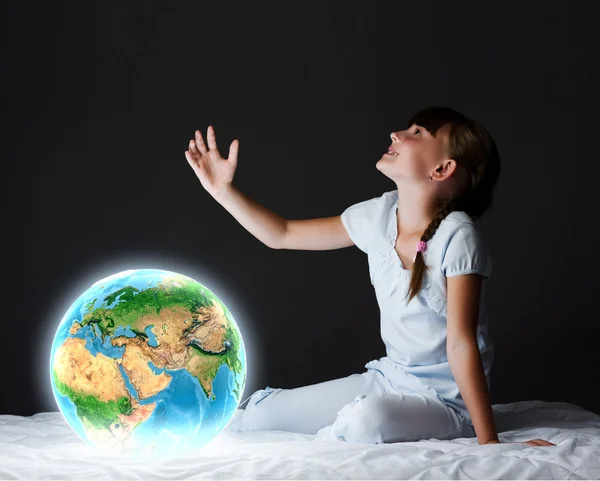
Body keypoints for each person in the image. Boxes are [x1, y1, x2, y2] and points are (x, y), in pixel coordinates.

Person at [184, 107, 556, 447]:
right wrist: (224, 192)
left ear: (441, 170)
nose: (397, 134)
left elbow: (462, 344)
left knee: (367, 420)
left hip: (445, 402)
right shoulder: (378, 215)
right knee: (261, 415)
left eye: (417, 133)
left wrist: (488, 441)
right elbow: (281, 234)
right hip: (388, 380)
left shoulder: (457, 236)